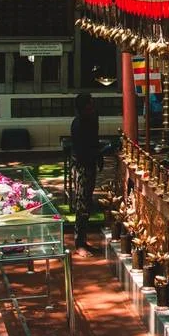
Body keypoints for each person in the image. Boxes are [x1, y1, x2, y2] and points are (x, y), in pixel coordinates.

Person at [69, 92, 100, 255]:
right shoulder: (78, 124)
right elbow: (82, 151)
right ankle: (79, 243)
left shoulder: (92, 119)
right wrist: (95, 154)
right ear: (83, 107)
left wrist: (98, 155)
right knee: (82, 204)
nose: (92, 107)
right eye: (89, 105)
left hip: (90, 164)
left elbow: (94, 141)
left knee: (87, 203)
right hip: (81, 167)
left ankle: (83, 240)